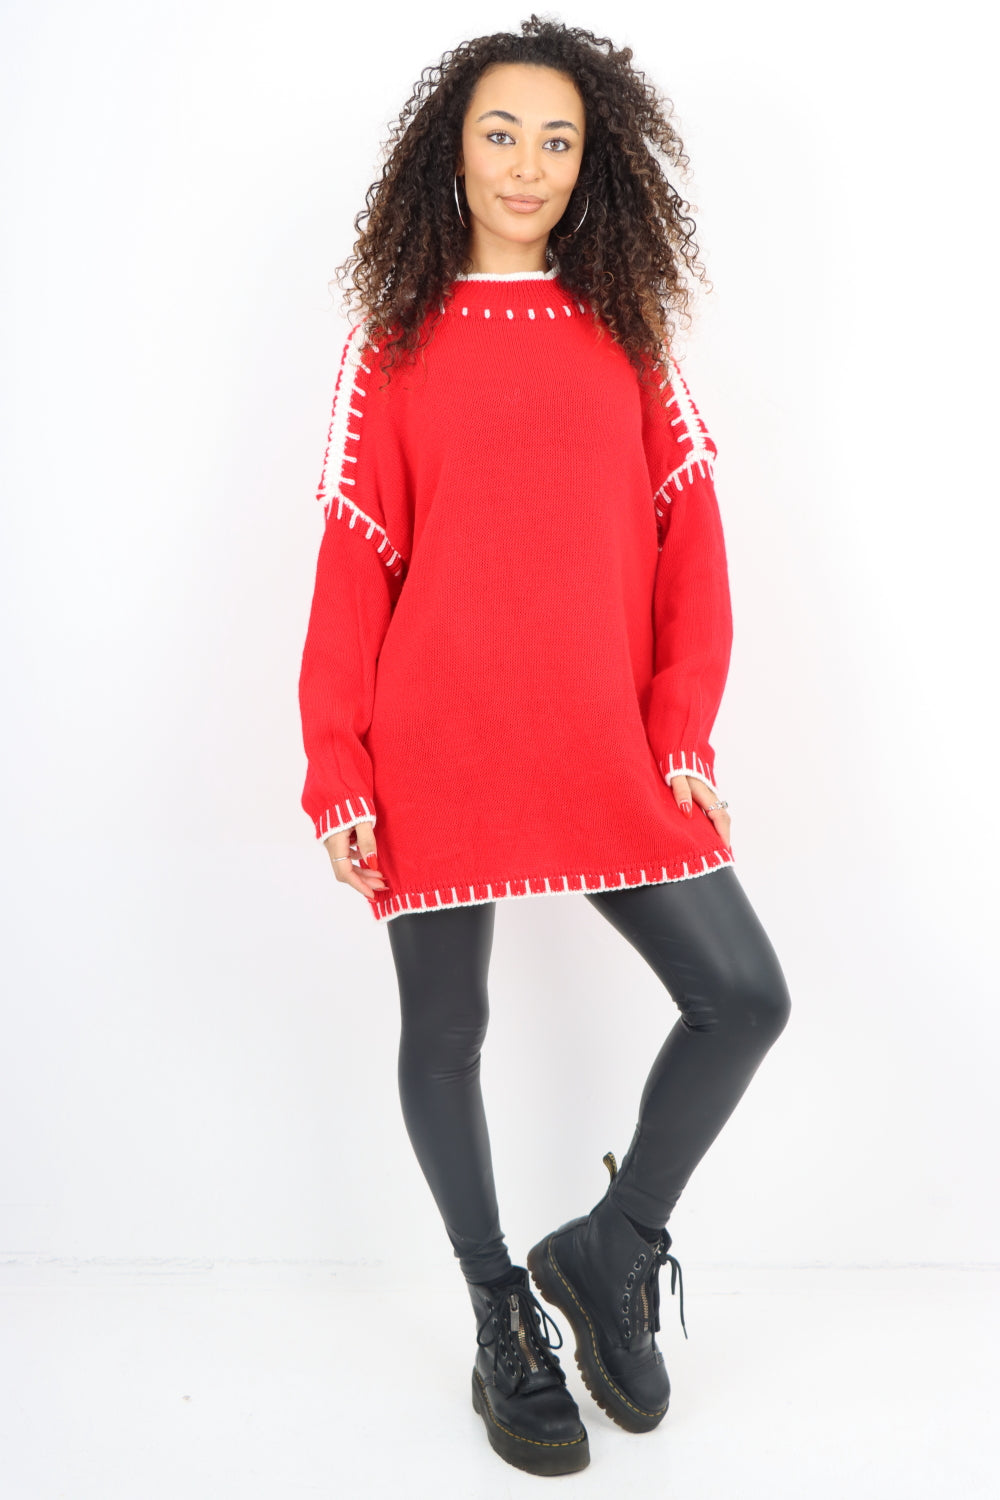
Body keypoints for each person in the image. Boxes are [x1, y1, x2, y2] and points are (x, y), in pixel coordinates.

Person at [298, 16, 792, 1478]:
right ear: (451, 154)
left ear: (595, 165)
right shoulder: (393, 344)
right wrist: (337, 763)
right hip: (436, 742)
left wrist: (681, 729)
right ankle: (497, 1309)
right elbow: (354, 565)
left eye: (559, 140)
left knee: (743, 996)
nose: (528, 163)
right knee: (445, 1033)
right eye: (501, 133)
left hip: (599, 744)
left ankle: (611, 1245)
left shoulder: (628, 332)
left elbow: (691, 545)